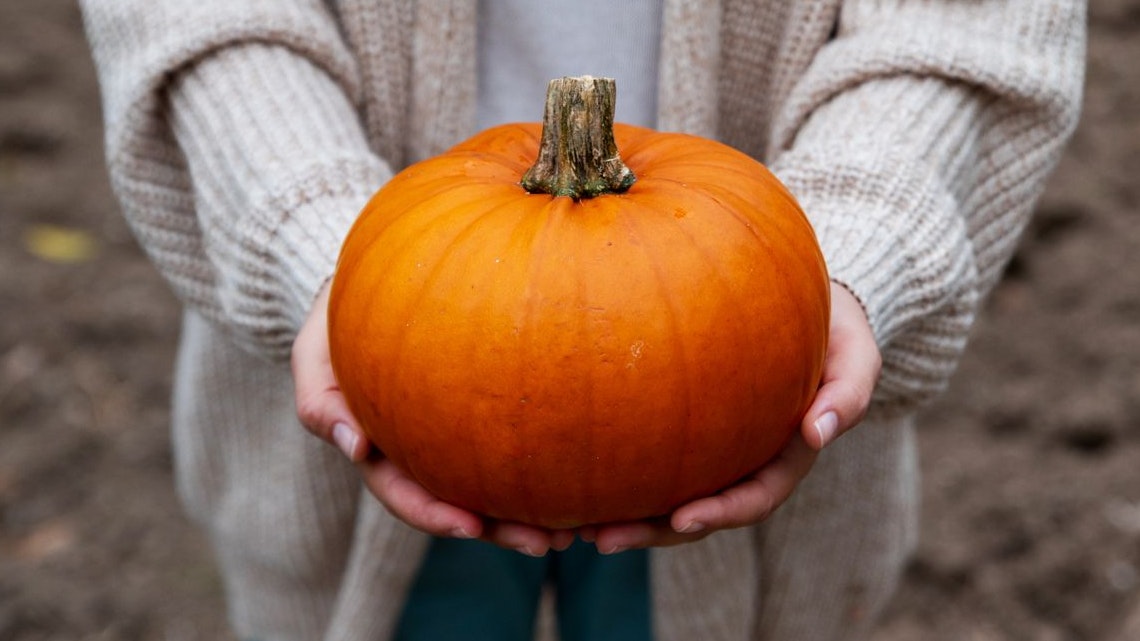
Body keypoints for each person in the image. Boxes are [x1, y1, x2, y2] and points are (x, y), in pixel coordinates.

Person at [80, 1, 1085, 640]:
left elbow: (969, 24)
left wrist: (838, 266)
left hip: (742, 394)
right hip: (381, 376)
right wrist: (328, 257)